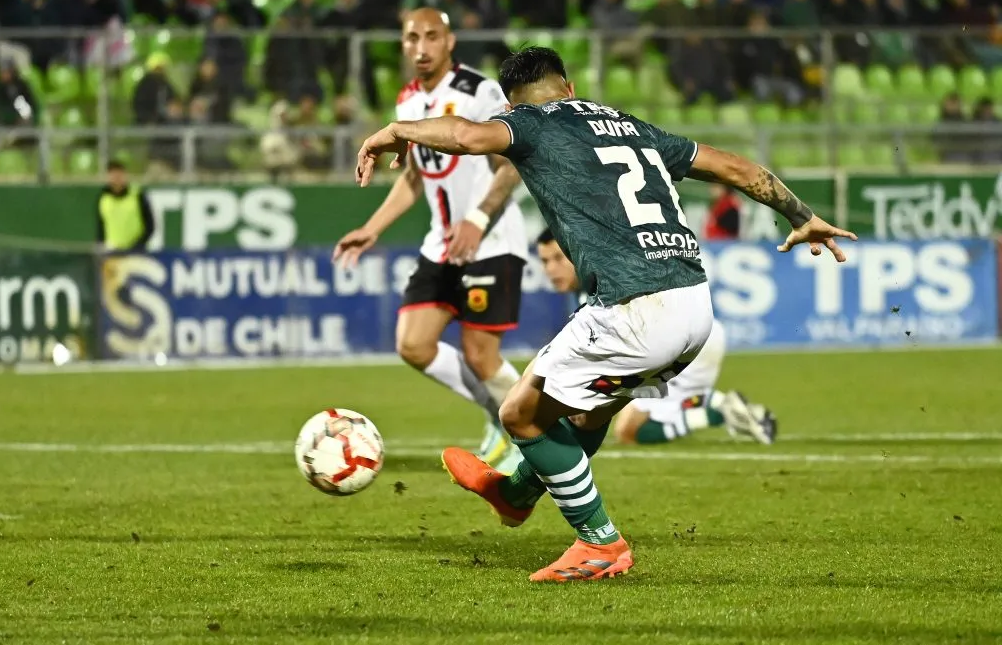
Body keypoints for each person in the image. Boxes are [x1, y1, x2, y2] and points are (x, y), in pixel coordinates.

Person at [353, 47, 856, 582]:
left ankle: (599, 543)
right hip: (695, 308)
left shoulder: (530, 123)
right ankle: (516, 493)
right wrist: (802, 216)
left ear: (510, 104)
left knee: (519, 415)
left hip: (635, 309)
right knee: (588, 414)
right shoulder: (631, 126)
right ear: (569, 87)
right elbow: (736, 167)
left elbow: (465, 136)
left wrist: (397, 130)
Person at [333, 8, 527, 474]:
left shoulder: (479, 92)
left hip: (490, 240)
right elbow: (415, 177)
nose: (421, 48)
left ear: (450, 41)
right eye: (412, 38)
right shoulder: (408, 102)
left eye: (431, 37)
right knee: (414, 344)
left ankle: (529, 431)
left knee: (481, 355)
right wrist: (373, 227)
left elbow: (512, 164)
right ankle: (501, 416)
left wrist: (477, 218)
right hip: (442, 243)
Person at [535, 227, 776, 446]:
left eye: (558, 258)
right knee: (646, 410)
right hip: (690, 335)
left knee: (629, 431)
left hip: (677, 341)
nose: (551, 269)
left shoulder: (601, 282)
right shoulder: (596, 280)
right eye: (545, 261)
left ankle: (715, 412)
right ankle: (715, 403)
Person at [97, 159, 155, 251]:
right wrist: (100, 246)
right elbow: (100, 226)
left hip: (137, 250)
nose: (117, 179)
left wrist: (139, 245)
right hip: (112, 250)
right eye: (113, 175)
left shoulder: (137, 195)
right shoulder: (103, 198)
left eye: (119, 175)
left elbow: (150, 225)